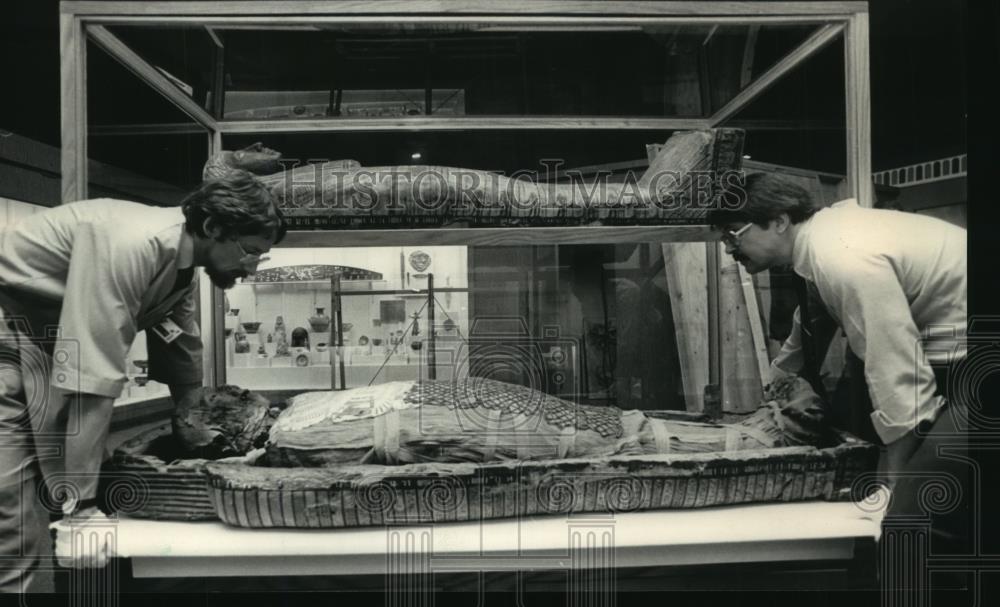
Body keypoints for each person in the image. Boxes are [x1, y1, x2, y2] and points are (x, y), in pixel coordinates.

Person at [0, 170, 285, 592]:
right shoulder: (134, 243)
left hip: (46, 335)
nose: (252, 266)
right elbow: (90, 384)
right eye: (249, 251)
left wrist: (198, 432)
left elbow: (183, 355)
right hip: (10, 325)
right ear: (212, 227)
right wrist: (82, 510)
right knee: (15, 500)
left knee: (55, 483)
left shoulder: (182, 267)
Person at [708, 173, 969, 570]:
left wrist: (893, 485)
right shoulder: (823, 242)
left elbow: (898, 375)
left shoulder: (842, 256)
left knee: (911, 522)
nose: (730, 249)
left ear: (779, 221)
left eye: (733, 234)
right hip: (953, 353)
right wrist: (777, 379)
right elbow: (811, 318)